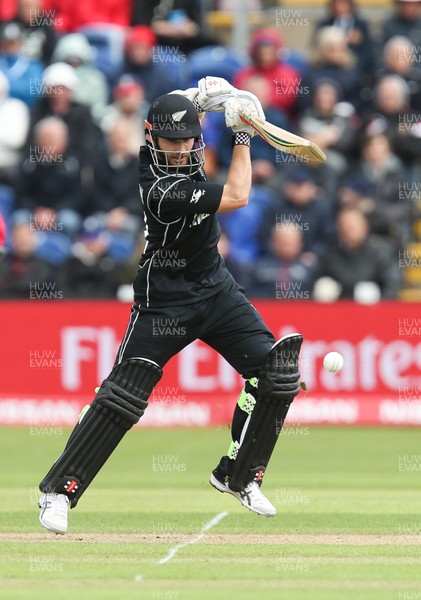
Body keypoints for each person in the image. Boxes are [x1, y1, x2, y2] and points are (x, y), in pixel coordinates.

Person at [37, 77, 303, 534]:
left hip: (215, 288)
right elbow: (238, 195)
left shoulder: (181, 139)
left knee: (277, 372)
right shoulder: (158, 188)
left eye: (188, 141)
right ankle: (58, 492)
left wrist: (206, 98)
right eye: (171, 141)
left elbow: (180, 109)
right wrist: (242, 134)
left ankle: (238, 476)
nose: (181, 150)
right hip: (163, 300)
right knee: (124, 395)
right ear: (150, 137)